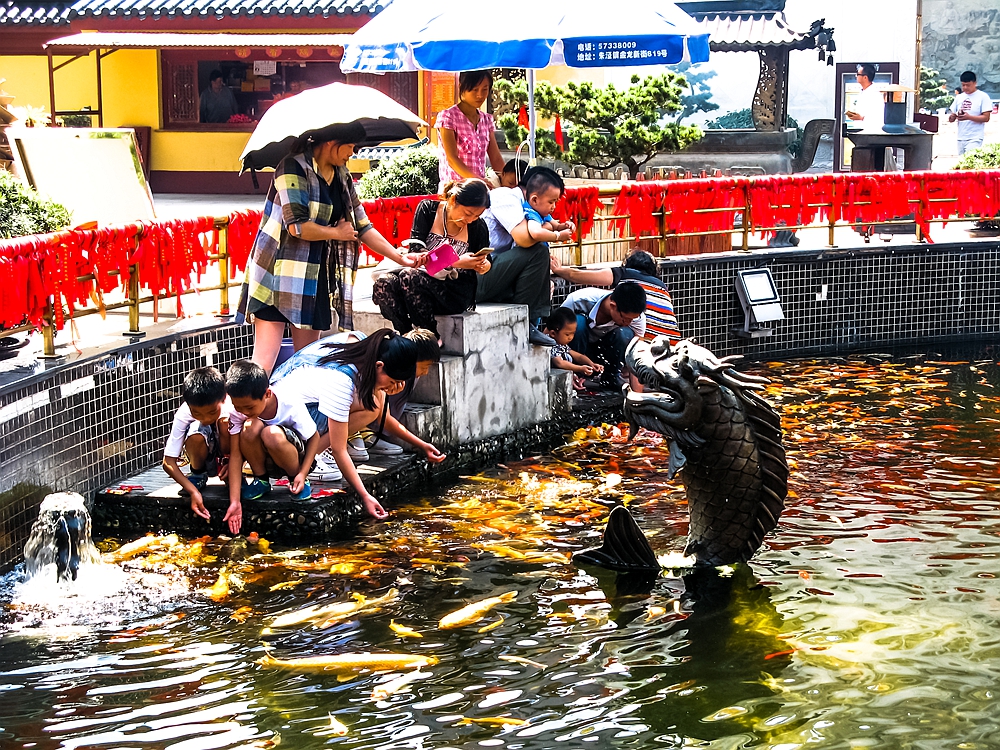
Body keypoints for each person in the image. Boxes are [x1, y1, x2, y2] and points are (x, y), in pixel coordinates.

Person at [237, 120, 420, 374]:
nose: (352, 154)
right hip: (277, 274)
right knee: (262, 366)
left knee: (306, 364)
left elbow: (363, 226)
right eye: (350, 147)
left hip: (314, 275)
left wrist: (398, 257)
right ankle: (241, 414)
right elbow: (296, 226)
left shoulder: (341, 176)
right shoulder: (292, 167)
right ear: (332, 144)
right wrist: (336, 233)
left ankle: (293, 413)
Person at [269, 329, 446, 519]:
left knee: (372, 405)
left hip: (299, 397)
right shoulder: (342, 380)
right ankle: (312, 460)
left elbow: (381, 414)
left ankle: (315, 452)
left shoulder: (366, 345)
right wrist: (365, 496)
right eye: (392, 381)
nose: (390, 387)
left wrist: (421, 445)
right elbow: (339, 450)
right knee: (369, 407)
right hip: (286, 416)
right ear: (380, 366)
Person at [372, 179, 492, 339]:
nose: (470, 220)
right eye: (468, 213)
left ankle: (430, 337)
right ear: (454, 200)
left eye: (477, 216)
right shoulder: (427, 210)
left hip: (453, 291)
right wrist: (455, 261)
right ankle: (406, 333)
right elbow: (416, 253)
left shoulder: (478, 226)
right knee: (384, 284)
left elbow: (487, 260)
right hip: (416, 282)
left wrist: (483, 265)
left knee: (410, 276)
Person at [477, 166, 576, 346]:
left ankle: (531, 323)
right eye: (551, 201)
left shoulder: (531, 209)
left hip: (492, 271)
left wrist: (555, 226)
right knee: (537, 252)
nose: (552, 207)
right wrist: (553, 232)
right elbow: (525, 239)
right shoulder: (506, 197)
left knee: (541, 268)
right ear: (534, 195)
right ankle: (526, 323)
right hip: (477, 275)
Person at [223, 360, 321, 532]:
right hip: (266, 460)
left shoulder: (289, 402)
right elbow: (236, 454)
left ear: (267, 393)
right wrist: (235, 501)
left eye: (249, 407)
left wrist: (302, 473)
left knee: (271, 434)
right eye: (238, 407)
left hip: (294, 458)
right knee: (250, 426)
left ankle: (296, 481)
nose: (243, 411)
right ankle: (261, 480)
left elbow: (314, 437)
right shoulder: (238, 411)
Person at [550, 248, 682, 343]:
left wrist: (558, 270)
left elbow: (577, 276)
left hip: (646, 345)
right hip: (672, 346)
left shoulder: (623, 274)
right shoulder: (662, 287)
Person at [161, 367, 232, 526]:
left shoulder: (232, 406)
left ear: (223, 398)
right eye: (197, 413)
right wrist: (192, 491)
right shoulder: (184, 413)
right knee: (196, 432)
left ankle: (232, 474)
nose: (205, 418)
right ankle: (198, 475)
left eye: (211, 412)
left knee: (225, 423)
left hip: (230, 457)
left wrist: (233, 463)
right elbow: (168, 462)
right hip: (205, 453)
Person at [368, 328, 442, 456]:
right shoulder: (388, 372)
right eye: (424, 367)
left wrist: (423, 445)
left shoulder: (411, 377)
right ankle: (363, 434)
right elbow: (384, 417)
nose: (425, 372)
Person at [561, 282, 647, 386]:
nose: (629, 323)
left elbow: (636, 353)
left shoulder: (638, 318)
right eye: (625, 319)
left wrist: (637, 395)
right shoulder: (579, 300)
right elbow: (553, 331)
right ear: (613, 306)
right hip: (575, 351)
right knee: (577, 322)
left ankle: (611, 377)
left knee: (625, 333)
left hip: (603, 353)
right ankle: (576, 375)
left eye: (632, 319)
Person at [437, 70, 506, 189]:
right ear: (461, 87)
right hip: (455, 189)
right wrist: (478, 180)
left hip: (479, 191)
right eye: (474, 90)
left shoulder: (486, 120)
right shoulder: (448, 117)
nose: (480, 95)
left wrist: (509, 179)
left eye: (484, 89)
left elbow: (495, 159)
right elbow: (452, 159)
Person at [543, 307, 603, 389]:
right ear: (553, 333)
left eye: (573, 333)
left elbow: (578, 356)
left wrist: (591, 364)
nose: (571, 337)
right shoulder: (550, 344)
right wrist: (580, 368)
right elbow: (559, 363)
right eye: (567, 334)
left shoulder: (561, 344)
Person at [949, 71, 993, 156]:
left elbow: (986, 118)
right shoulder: (959, 97)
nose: (965, 88)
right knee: (961, 163)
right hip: (961, 137)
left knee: (970, 160)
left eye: (968, 85)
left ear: (975, 83)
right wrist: (953, 117)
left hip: (975, 137)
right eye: (963, 85)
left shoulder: (983, 97)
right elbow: (951, 117)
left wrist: (969, 117)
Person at [845, 64, 884, 129]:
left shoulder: (875, 94)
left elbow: (878, 116)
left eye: (858, 74)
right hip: (859, 131)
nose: (856, 76)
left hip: (870, 133)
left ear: (865, 77)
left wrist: (861, 118)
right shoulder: (862, 91)